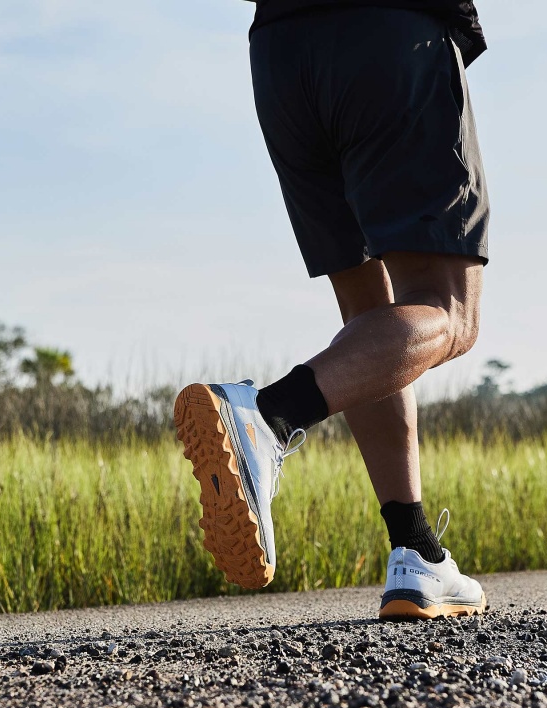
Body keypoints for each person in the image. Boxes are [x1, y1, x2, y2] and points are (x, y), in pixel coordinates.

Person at [174, 0, 490, 620]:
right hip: (389, 37)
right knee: (448, 311)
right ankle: (268, 416)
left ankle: (415, 553)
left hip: (282, 54)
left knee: (365, 310)